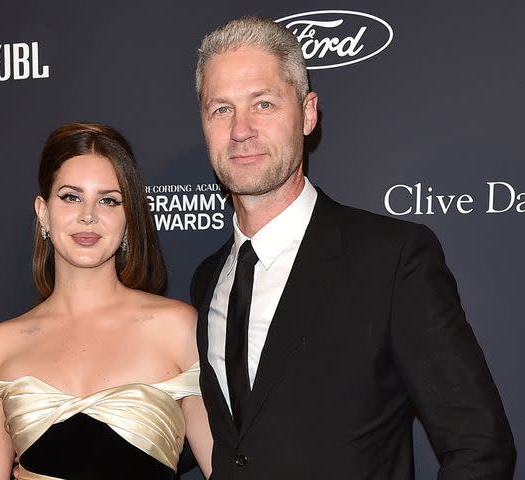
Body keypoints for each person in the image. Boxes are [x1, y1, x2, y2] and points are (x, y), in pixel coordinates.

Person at [190, 16, 516, 479]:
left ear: (307, 113)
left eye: (262, 103)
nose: (240, 129)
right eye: (220, 109)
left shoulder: (391, 259)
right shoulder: (208, 278)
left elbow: (479, 448)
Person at [0, 123, 212, 480]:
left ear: (128, 218)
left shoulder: (177, 330)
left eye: (108, 200)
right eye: (70, 196)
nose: (88, 215)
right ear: (43, 212)